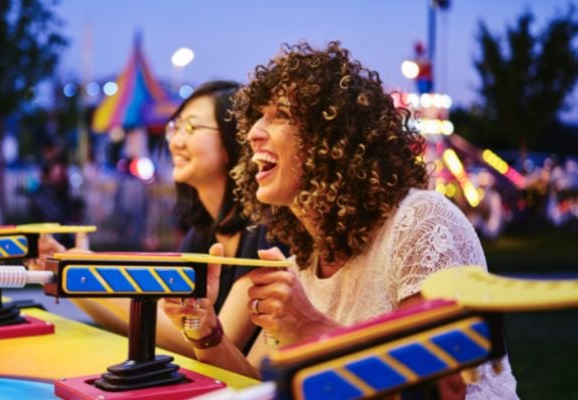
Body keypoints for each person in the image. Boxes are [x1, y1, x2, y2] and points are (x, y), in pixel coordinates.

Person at [162, 41, 517, 399]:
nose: (253, 132)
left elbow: (434, 390)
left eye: (279, 115)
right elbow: (261, 387)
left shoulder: (421, 222)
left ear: (331, 137)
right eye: (257, 116)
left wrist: (308, 326)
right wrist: (204, 330)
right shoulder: (303, 260)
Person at [37, 80, 280, 358]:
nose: (175, 141)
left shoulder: (265, 234)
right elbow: (154, 330)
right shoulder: (201, 235)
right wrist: (67, 272)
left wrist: (80, 274)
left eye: (191, 127)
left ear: (235, 139)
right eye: (175, 127)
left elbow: (210, 343)